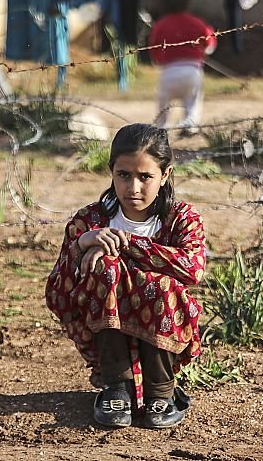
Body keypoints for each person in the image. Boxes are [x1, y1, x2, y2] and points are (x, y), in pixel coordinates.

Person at [44, 123, 206, 430]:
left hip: (162, 330)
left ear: (165, 175)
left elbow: (192, 268)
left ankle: (162, 391)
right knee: (104, 269)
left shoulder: (181, 218)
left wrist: (126, 243)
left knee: (161, 285)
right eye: (124, 175)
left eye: (146, 177)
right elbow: (57, 291)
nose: (133, 188)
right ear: (112, 171)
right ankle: (117, 387)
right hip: (105, 327)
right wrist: (81, 246)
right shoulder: (90, 220)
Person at [147, 0, 217, 135]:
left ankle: (161, 128)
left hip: (169, 72)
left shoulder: (161, 24)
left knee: (163, 104)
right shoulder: (197, 22)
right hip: (192, 70)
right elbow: (210, 44)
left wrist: (159, 59)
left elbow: (153, 47)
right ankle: (190, 125)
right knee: (192, 102)